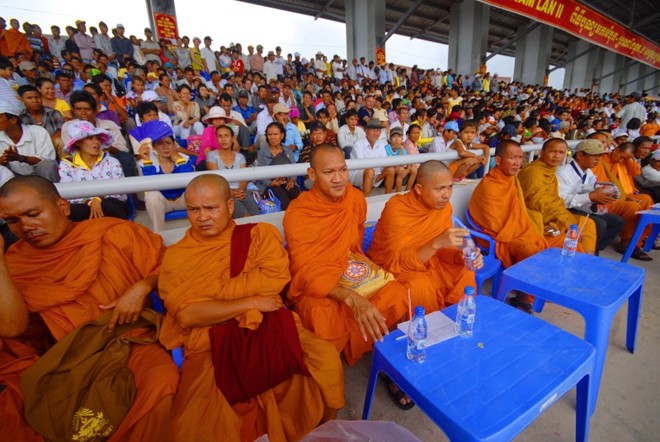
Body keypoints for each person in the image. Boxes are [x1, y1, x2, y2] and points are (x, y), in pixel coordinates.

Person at [158, 174, 344, 441]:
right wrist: (249, 302)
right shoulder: (177, 256)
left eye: (211, 208)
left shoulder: (258, 236)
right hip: (211, 338)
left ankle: (323, 430)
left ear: (229, 206)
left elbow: (275, 280)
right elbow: (187, 316)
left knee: (326, 361)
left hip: (266, 322)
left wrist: (210, 296)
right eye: (193, 209)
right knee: (192, 424)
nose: (202, 217)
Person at [0, 175, 179, 441]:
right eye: (13, 221)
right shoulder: (14, 262)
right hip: (66, 359)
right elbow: (14, 329)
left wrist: (142, 286)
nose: (26, 227)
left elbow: (172, 266)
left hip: (129, 342)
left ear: (63, 207)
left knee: (161, 384)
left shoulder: (114, 233)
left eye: (33, 214)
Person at [284, 144, 412, 407]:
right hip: (317, 278)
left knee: (396, 293)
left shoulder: (354, 198)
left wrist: (358, 274)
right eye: (329, 172)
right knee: (321, 316)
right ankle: (329, 382)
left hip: (348, 263)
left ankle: (387, 364)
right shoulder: (299, 212)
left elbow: (353, 243)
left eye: (343, 169)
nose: (339, 178)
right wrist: (351, 298)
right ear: (311, 174)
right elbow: (304, 269)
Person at [368, 160, 482, 311]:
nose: (447, 195)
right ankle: (431, 329)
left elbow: (444, 249)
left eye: (450, 187)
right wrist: (435, 244)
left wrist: (459, 256)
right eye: (440, 188)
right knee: (421, 286)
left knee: (464, 270)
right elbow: (394, 262)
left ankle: (455, 317)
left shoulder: (444, 207)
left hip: (430, 260)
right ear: (419, 189)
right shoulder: (397, 209)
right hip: (397, 268)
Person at [468, 140, 564, 312]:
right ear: (498, 160)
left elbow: (520, 212)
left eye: (520, 157)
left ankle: (549, 286)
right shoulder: (490, 185)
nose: (518, 162)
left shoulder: (512, 180)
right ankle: (522, 297)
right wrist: (523, 230)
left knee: (560, 241)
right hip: (497, 237)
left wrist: (534, 226)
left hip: (517, 230)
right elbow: (493, 223)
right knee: (530, 251)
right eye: (512, 158)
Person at [517, 138, 597, 254]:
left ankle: (588, 260)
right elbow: (538, 204)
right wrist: (564, 221)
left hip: (553, 213)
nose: (557, 156)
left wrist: (564, 219)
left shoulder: (550, 170)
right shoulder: (534, 172)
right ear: (542, 153)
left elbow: (553, 200)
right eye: (552, 152)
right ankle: (579, 261)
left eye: (561, 153)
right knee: (573, 237)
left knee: (588, 223)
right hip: (535, 218)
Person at [556, 139, 626, 255]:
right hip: (567, 209)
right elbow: (562, 200)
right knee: (600, 224)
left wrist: (604, 195)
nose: (598, 159)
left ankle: (593, 249)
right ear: (579, 155)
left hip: (582, 207)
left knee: (617, 222)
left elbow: (591, 190)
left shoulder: (588, 172)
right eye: (593, 156)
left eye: (599, 155)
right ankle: (588, 252)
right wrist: (590, 197)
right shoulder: (563, 172)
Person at [58, 120, 129, 221]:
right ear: (78, 142)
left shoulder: (112, 161)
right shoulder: (66, 165)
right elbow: (67, 193)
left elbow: (120, 190)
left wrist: (99, 199)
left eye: (98, 138)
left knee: (109, 204)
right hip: (84, 207)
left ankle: (126, 233)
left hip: (112, 204)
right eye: (90, 138)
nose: (96, 142)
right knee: (79, 210)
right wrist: (89, 202)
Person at [134, 121, 194, 231]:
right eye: (160, 144)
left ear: (174, 144)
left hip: (182, 200)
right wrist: (147, 161)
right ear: (154, 147)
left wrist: (179, 160)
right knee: (151, 195)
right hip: (163, 202)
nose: (165, 147)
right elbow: (149, 184)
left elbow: (190, 181)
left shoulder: (183, 158)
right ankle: (159, 234)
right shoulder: (146, 161)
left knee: (196, 190)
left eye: (168, 143)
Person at [205, 124, 260, 217]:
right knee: (245, 216)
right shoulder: (212, 156)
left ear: (232, 138)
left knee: (256, 214)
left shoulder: (240, 156)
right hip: (223, 193)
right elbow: (216, 180)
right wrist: (231, 193)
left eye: (226, 136)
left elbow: (244, 178)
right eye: (220, 136)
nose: (223, 139)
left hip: (241, 191)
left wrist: (240, 191)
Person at [0, 99, 59, 182]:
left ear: (13, 120)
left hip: (40, 176)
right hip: (13, 178)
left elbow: (47, 161)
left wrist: (21, 158)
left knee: (48, 165)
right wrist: (2, 160)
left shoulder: (38, 132)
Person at [257, 122, 301, 209]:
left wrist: (292, 180)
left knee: (297, 195)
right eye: (270, 134)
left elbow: (294, 168)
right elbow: (260, 174)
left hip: (287, 183)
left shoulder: (287, 150)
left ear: (282, 135)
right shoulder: (262, 153)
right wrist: (270, 183)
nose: (272, 137)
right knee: (285, 201)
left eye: (275, 134)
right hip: (270, 186)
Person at [350, 118, 396, 196]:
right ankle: (366, 199)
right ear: (366, 131)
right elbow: (362, 166)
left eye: (378, 130)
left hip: (375, 174)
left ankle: (387, 197)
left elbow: (385, 161)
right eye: (373, 130)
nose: (376, 133)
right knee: (369, 171)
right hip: (358, 176)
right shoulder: (358, 144)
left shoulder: (381, 143)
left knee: (390, 169)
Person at [384, 126, 414, 192]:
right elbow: (395, 164)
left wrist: (407, 170)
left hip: (398, 168)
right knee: (400, 169)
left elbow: (409, 160)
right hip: (388, 170)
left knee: (413, 170)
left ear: (402, 139)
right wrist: (400, 151)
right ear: (390, 138)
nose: (397, 139)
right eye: (394, 136)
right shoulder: (386, 148)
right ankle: (398, 193)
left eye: (399, 137)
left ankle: (406, 190)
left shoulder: (402, 148)